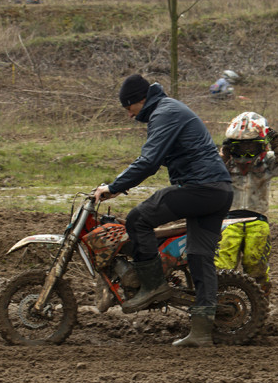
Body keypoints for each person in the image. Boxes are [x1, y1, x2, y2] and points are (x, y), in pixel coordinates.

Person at [92, 74, 234, 348]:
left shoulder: (164, 112)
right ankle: (202, 332)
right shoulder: (168, 108)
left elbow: (149, 161)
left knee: (138, 218)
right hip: (219, 190)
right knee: (199, 257)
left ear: (138, 100)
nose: (130, 115)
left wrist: (114, 187)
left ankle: (153, 284)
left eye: (128, 108)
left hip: (200, 188)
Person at [214, 112, 278, 296]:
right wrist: (223, 155)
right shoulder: (224, 163)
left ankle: (260, 303)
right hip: (229, 220)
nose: (245, 152)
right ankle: (218, 302)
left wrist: (277, 146)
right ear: (231, 147)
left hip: (257, 219)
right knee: (222, 265)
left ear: (261, 145)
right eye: (240, 147)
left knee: (256, 264)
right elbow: (207, 175)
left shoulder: (267, 161)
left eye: (250, 146)